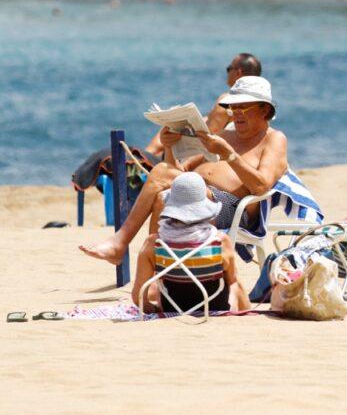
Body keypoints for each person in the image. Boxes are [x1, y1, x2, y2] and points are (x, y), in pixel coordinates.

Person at [80, 76, 288, 265]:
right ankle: (157, 275)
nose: (237, 115)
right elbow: (178, 169)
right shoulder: (225, 134)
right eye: (233, 109)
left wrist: (229, 155)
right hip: (196, 192)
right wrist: (169, 146)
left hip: (232, 209)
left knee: (162, 172)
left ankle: (120, 242)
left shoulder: (273, 139)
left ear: (264, 110)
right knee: (162, 195)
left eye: (244, 108)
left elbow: (261, 186)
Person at [131, 172, 251, 313]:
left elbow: (138, 297)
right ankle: (246, 312)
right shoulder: (219, 241)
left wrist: (155, 309)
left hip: (172, 308)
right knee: (235, 281)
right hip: (216, 307)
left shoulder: (153, 243)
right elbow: (232, 280)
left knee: (160, 285)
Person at [145, 53, 263, 156]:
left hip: (202, 153)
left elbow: (209, 135)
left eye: (229, 69)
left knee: (168, 129)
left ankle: (144, 157)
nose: (227, 73)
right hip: (227, 150)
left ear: (238, 72)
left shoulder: (228, 100)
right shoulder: (260, 105)